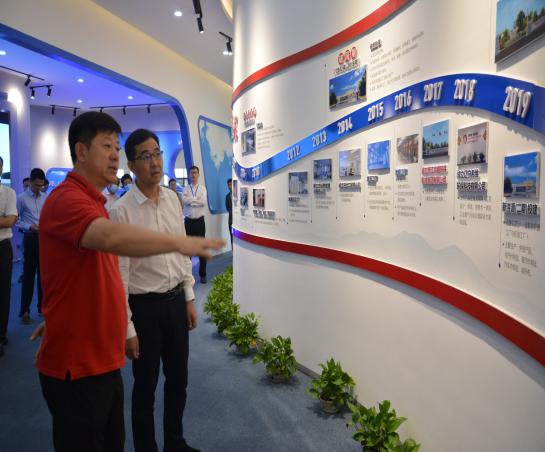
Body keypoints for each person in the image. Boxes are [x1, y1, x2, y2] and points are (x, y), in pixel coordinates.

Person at [31, 112, 223, 452]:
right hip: (83, 360)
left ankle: (175, 442)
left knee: (129, 423)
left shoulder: (98, 202)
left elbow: (91, 272)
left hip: (105, 351)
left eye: (116, 148)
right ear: (81, 151)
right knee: (136, 397)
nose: (114, 156)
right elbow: (112, 245)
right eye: (107, 146)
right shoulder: (73, 201)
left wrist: (60, 312)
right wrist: (180, 243)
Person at [110, 129, 199, 452]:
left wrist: (189, 297)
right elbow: (119, 276)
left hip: (175, 303)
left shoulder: (173, 199)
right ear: (132, 165)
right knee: (145, 388)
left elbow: (182, 250)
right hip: (144, 309)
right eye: (145, 156)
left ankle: (175, 442)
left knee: (178, 381)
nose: (155, 162)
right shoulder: (121, 211)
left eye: (157, 153)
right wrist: (128, 328)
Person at [17, 167, 47, 324]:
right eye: (36, 185)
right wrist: (29, 226)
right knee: (28, 276)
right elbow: (15, 220)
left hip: (44, 239)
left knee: (43, 276)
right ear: (30, 182)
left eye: (41, 185)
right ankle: (24, 312)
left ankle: (42, 308)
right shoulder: (21, 198)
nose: (39, 188)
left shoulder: (45, 197)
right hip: (30, 238)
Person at [0, 155, 17, 358]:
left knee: (3, 292)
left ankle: (1, 335)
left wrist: (5, 219)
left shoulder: (8, 193)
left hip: (2, 247)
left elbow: (10, 220)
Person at [182, 166, 208, 283]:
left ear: (198, 174)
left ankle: (203, 274)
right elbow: (184, 201)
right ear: (189, 175)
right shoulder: (185, 189)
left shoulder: (202, 189)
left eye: (195, 173)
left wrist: (191, 201)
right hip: (188, 222)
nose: (193, 175)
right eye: (191, 173)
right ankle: (187, 275)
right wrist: (195, 199)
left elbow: (203, 202)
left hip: (199, 222)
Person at [225, 178, 233, 246]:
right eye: (228, 185)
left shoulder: (238, 194)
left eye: (231, 184)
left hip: (238, 220)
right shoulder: (227, 196)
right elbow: (227, 208)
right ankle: (233, 251)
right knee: (232, 237)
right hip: (230, 220)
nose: (230, 186)